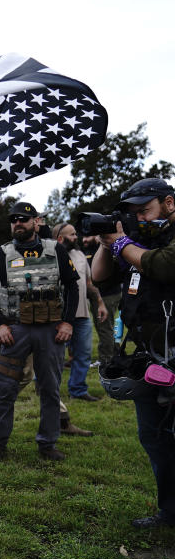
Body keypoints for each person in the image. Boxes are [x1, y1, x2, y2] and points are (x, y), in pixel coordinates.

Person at [92, 178, 175, 528]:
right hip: (149, 359)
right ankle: (169, 512)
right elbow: (99, 275)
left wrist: (123, 242)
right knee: (153, 436)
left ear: (169, 203)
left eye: (145, 210)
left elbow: (164, 266)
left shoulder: (158, 244)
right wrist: (106, 238)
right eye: (133, 213)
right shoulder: (137, 242)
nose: (140, 218)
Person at [0, 202, 79, 462]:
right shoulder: (0, 254)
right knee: (5, 389)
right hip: (15, 331)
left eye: (23, 219)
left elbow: (72, 287)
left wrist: (68, 322)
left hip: (51, 331)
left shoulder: (55, 249)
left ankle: (48, 443)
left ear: (36, 222)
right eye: (13, 220)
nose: (17, 223)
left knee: (50, 389)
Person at [54, 223, 108, 401]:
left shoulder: (79, 255)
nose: (76, 237)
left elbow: (89, 284)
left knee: (83, 354)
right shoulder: (49, 256)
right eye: (72, 234)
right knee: (54, 355)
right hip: (57, 316)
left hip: (82, 314)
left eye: (75, 234)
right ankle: (46, 387)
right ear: (60, 238)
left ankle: (77, 390)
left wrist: (100, 303)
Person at [82, 234, 123, 367]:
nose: (84, 240)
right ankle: (115, 354)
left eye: (87, 236)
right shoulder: (86, 250)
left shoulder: (104, 248)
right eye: (82, 237)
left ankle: (105, 359)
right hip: (99, 295)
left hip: (108, 295)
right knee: (105, 327)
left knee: (105, 327)